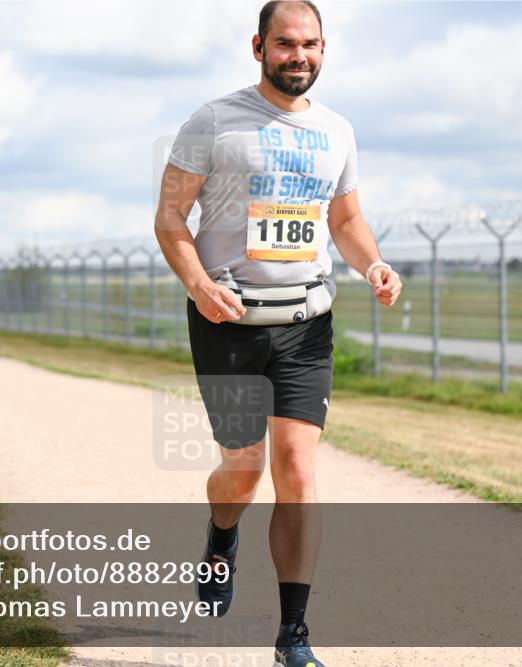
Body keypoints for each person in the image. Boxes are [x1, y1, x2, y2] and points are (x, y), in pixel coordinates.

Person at [154, 3, 402, 666]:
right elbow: (171, 219)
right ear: (259, 46)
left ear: (325, 47)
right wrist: (201, 286)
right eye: (286, 44)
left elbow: (346, 219)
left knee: (297, 471)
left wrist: (372, 262)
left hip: (305, 324)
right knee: (243, 471)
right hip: (227, 324)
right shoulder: (213, 121)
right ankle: (220, 537)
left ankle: (293, 636)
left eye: (312, 44)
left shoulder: (337, 131)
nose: (301, 56)